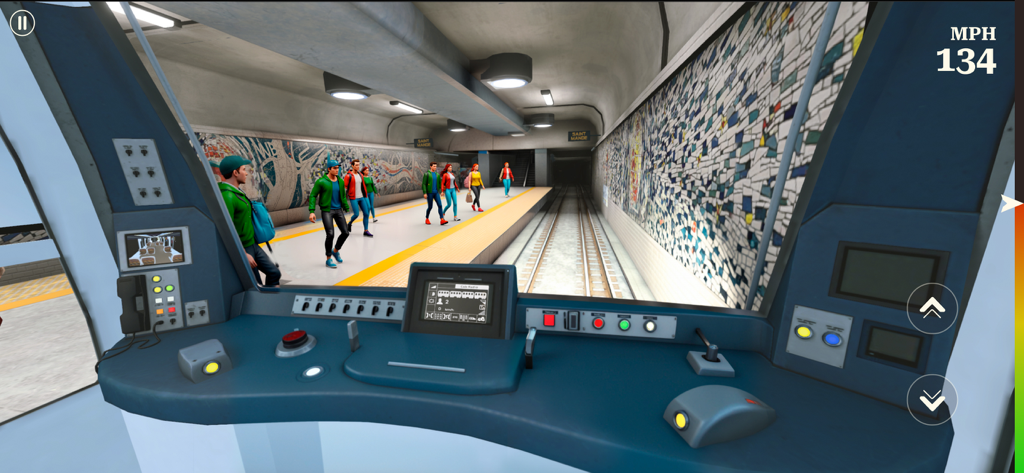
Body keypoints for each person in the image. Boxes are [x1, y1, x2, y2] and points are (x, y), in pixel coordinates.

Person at [218, 155, 281, 286]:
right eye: (243, 169)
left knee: (274, 273)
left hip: (252, 243)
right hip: (243, 248)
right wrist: (243, 254)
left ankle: (270, 301)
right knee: (255, 284)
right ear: (235, 173)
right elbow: (226, 230)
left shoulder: (237, 191)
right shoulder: (227, 196)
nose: (246, 173)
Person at [308, 158, 351, 268]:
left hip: (338, 210)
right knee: (330, 234)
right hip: (327, 211)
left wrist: (346, 207)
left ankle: (335, 251)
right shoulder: (321, 182)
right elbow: (313, 195)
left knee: (345, 232)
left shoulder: (340, 181)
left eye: (338, 168)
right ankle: (328, 258)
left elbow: (342, 196)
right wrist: (312, 211)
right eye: (335, 168)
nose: (337, 170)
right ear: (329, 169)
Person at [345, 159, 373, 237]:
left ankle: (366, 230)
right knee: (356, 214)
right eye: (356, 165)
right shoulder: (348, 176)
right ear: (352, 166)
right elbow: (345, 188)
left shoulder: (361, 175)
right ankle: (349, 223)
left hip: (362, 197)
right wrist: (343, 200)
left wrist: (365, 196)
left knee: (366, 213)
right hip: (353, 198)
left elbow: (363, 186)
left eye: (359, 165)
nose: (358, 166)